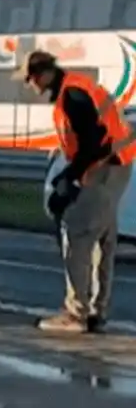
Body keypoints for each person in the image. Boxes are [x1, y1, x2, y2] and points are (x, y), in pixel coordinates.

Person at [14, 50, 135, 333]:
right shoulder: (76, 87)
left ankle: (76, 313)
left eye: (30, 79)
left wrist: (71, 180)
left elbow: (92, 144)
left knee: (78, 234)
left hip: (104, 166)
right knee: (103, 238)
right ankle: (95, 311)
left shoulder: (72, 95)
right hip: (117, 164)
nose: (29, 85)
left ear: (43, 73)